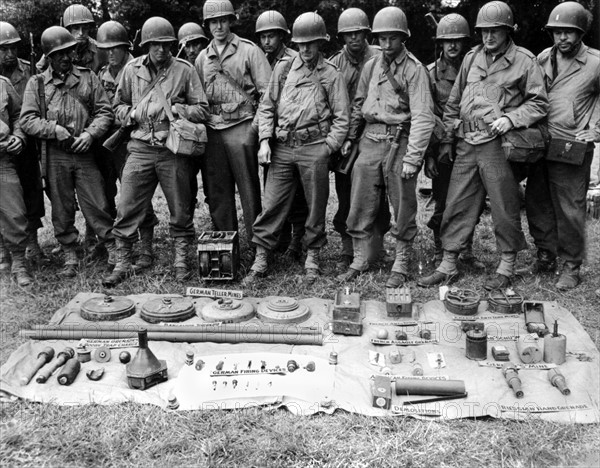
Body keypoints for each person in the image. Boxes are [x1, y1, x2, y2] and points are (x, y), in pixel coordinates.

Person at [418, 1, 548, 290]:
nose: (488, 37)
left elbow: (539, 102)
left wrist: (512, 119)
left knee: (504, 204)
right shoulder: (472, 58)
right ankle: (449, 262)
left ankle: (506, 265)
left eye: (495, 31)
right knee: (456, 201)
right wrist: (450, 138)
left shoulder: (525, 61)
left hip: (497, 144)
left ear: (507, 31)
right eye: (484, 31)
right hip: (466, 142)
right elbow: (454, 100)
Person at [243, 12, 350, 284]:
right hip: (282, 147)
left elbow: (342, 118)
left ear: (320, 43)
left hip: (315, 146)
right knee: (272, 203)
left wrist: (328, 148)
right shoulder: (284, 68)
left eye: (310, 43)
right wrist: (265, 140)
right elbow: (267, 107)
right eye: (301, 43)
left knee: (316, 205)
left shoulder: (331, 75)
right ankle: (262, 257)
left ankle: (312, 254)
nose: (305, 49)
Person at [102, 17, 209, 287]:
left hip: (171, 146)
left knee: (180, 208)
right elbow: (117, 107)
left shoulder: (184, 70)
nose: (160, 50)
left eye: (165, 44)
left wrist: (178, 109)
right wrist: (131, 113)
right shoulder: (131, 69)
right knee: (127, 205)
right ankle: (124, 260)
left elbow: (202, 110)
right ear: (146, 45)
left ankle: (181, 259)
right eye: (154, 45)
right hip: (139, 146)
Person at [339, 6, 435, 287]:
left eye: (392, 38)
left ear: (403, 38)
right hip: (370, 139)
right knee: (359, 199)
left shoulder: (414, 70)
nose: (386, 43)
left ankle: (402, 261)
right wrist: (350, 138)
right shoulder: (371, 66)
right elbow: (359, 105)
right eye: (381, 38)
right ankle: (360, 257)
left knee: (403, 202)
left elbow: (423, 117)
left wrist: (413, 158)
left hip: (399, 140)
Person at [20, 26, 116, 278]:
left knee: (97, 202)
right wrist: (54, 130)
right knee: (61, 208)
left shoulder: (87, 77)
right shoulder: (37, 83)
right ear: (49, 56)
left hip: (84, 152)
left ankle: (112, 248)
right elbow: (27, 120)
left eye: (68, 51)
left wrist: (90, 134)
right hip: (55, 154)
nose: (65, 57)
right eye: (58, 53)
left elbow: (105, 111)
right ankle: (70, 253)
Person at [195, 0, 271, 241]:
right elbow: (197, 97)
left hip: (242, 124)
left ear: (230, 21)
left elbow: (268, 94)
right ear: (207, 25)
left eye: (223, 20)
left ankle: (256, 242)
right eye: (213, 22)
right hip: (213, 129)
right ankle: (227, 242)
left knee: (249, 189)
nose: (219, 26)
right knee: (217, 190)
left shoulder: (249, 50)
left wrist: (256, 130)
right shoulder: (202, 58)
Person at [537, 1, 600, 290]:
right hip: (540, 141)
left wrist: (596, 130)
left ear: (581, 33)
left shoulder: (596, 63)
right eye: (557, 32)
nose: (562, 38)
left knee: (570, 208)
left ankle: (571, 264)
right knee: (538, 202)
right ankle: (546, 255)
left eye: (568, 33)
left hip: (571, 144)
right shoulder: (542, 58)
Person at [330, 8, 391, 275]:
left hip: (376, 134)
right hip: (345, 137)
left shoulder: (381, 56)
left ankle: (377, 246)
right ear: (341, 37)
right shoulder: (335, 63)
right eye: (348, 34)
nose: (353, 38)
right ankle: (348, 248)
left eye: (358, 32)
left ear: (367, 33)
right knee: (346, 194)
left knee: (379, 195)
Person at [96, 20, 159, 271]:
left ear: (126, 47)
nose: (110, 53)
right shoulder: (101, 74)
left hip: (134, 140)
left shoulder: (139, 69)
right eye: (106, 48)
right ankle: (119, 248)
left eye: (116, 48)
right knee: (111, 196)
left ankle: (146, 248)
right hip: (108, 141)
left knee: (137, 195)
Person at [423, 13, 484, 269]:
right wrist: (429, 155)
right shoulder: (430, 74)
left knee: (472, 201)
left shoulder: (477, 69)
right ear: (440, 43)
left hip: (472, 144)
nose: (452, 46)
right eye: (447, 41)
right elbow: (426, 116)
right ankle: (441, 250)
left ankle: (465, 249)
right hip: (444, 149)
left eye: (458, 40)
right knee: (443, 201)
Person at [255, 9, 307, 259]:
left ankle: (296, 241)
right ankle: (279, 238)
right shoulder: (258, 59)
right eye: (263, 37)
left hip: (291, 134)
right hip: (268, 133)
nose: (267, 42)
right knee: (273, 192)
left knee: (296, 194)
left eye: (272, 36)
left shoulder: (296, 59)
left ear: (282, 37)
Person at [0, 21, 46, 267]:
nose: (9, 54)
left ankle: (33, 242)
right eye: (3, 49)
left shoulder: (28, 70)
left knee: (31, 192)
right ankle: (4, 250)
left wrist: (22, 137)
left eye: (13, 48)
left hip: (24, 145)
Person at [0, 75, 34, 286]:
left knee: (15, 212)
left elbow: (17, 115)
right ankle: (2, 255)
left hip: (3, 160)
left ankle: (20, 262)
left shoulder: (2, 84)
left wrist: (18, 137)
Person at [36, 4, 106, 74]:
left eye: (85, 28)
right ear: (68, 30)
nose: (81, 33)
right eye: (76, 28)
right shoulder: (56, 47)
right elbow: (40, 70)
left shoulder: (98, 50)